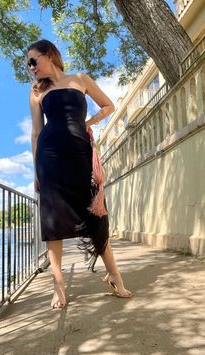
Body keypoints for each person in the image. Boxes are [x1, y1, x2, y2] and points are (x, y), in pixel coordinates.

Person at [27, 39, 132, 309]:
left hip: (82, 157)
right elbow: (37, 132)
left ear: (48, 55)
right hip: (50, 159)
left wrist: (88, 123)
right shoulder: (37, 92)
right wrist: (36, 170)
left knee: (96, 215)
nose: (30, 68)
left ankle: (114, 275)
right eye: (27, 64)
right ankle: (59, 286)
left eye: (33, 61)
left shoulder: (80, 78)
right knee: (53, 224)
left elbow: (108, 106)